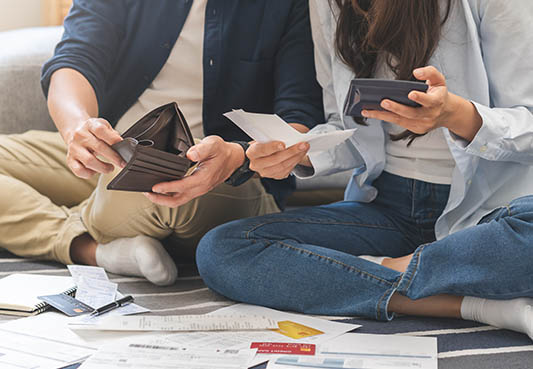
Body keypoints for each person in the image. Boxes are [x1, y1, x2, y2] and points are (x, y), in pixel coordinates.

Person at [196, 0, 533, 340]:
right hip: (389, 208)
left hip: (491, 212)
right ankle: (474, 303)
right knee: (224, 249)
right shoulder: (330, 5)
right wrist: (286, 153)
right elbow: (344, 128)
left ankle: (379, 268)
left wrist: (457, 115)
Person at [0, 0, 323, 285]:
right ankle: (94, 250)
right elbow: (74, 59)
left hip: (216, 168)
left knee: (152, 186)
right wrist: (79, 130)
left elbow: (298, 115)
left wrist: (241, 155)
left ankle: (82, 216)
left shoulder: (289, 4)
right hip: (115, 150)